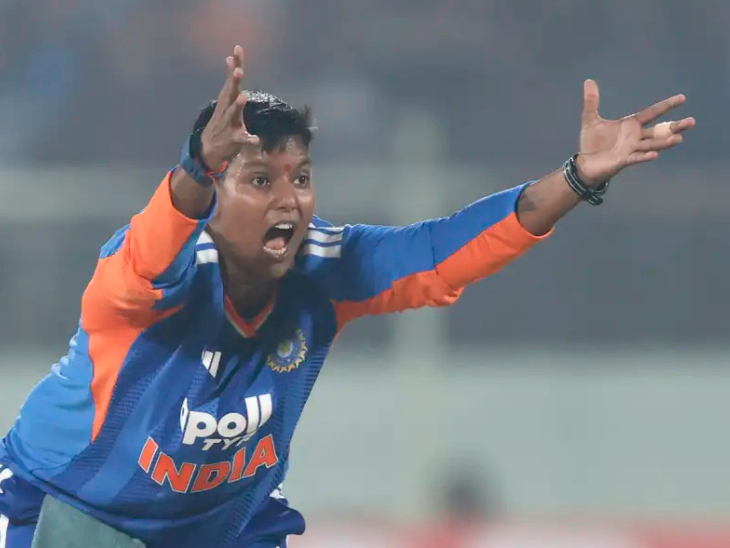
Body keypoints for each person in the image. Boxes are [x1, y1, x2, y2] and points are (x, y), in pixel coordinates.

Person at [0, 46, 694, 548]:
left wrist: (576, 178)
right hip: (69, 507)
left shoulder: (327, 268)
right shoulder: (150, 282)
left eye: (300, 177)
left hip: (220, 526)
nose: (290, 200)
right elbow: (149, 253)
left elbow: (441, 253)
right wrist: (193, 168)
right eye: (260, 181)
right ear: (211, 192)